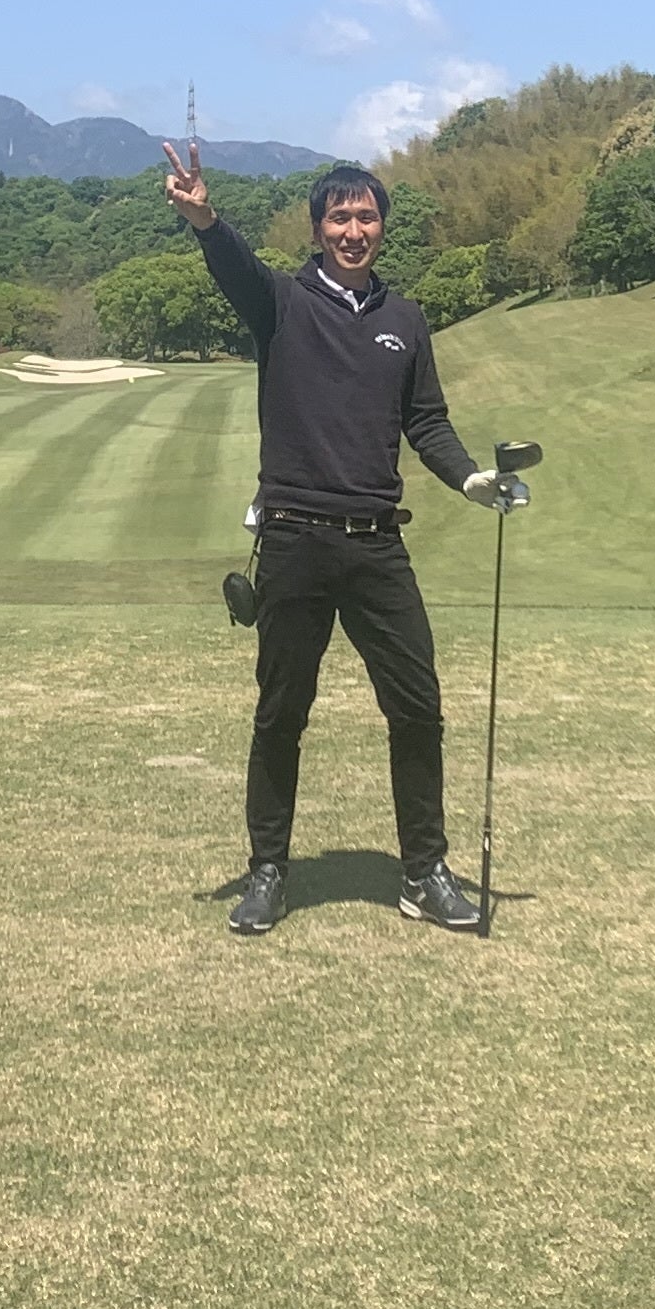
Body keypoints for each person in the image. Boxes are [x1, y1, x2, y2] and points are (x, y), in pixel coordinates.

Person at [160, 142, 519, 936]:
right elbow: (236, 271)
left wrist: (470, 480)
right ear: (318, 228)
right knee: (282, 713)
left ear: (382, 226)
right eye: (339, 218)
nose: (353, 230)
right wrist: (205, 221)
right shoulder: (283, 303)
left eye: (366, 217)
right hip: (294, 541)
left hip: (376, 545)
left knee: (418, 708)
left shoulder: (405, 321)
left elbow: (426, 421)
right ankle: (268, 870)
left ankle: (423, 871)